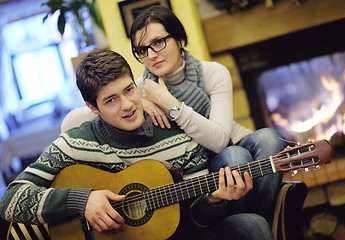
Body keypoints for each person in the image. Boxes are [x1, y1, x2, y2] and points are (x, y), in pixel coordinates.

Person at [0, 48, 274, 240]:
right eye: (111, 100)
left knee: (251, 225)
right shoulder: (74, 143)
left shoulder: (179, 134)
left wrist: (213, 200)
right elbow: (10, 201)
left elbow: (195, 221)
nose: (128, 105)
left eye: (129, 90)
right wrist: (83, 201)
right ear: (92, 107)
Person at [61, 5, 287, 224]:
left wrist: (169, 104)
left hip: (228, 140)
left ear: (180, 40)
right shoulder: (136, 91)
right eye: (142, 50)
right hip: (204, 164)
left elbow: (219, 141)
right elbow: (72, 122)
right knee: (235, 158)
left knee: (269, 139)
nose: (151, 55)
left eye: (158, 42)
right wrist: (142, 104)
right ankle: (240, 225)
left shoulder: (213, 73)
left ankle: (262, 223)